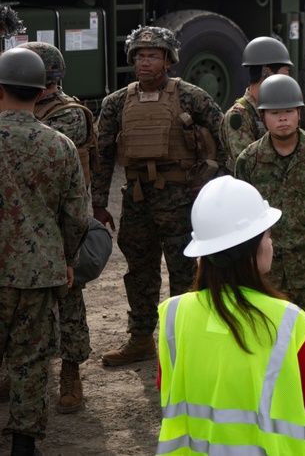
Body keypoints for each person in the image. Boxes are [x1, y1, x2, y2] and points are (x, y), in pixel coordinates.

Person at [157, 176, 305, 455]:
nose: (271, 244)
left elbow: (166, 386)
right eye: (268, 235)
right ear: (250, 249)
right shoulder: (285, 319)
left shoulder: (175, 313)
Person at [94, 26, 226, 367]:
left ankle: (188, 339)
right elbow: (103, 154)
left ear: (168, 60)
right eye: (139, 56)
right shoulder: (116, 103)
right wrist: (98, 203)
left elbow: (224, 137)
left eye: (153, 56)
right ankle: (141, 339)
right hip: (137, 199)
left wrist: (216, 186)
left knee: (185, 271)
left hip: (180, 197)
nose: (145, 62)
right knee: (139, 270)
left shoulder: (191, 96)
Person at [234, 74, 305, 445]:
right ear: (262, 117)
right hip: (269, 271)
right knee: (269, 340)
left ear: (300, 114)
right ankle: (277, 406)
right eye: (274, 113)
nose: (282, 119)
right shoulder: (249, 161)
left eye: (289, 112)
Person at [0, 47, 89, 456]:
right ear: (40, 93)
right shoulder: (60, 146)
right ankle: (23, 445)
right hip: (40, 273)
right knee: (31, 360)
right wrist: (67, 260)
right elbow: (75, 217)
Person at [20, 42, 100, 414]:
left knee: (69, 301)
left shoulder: (69, 115)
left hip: (64, 221)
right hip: (26, 220)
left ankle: (70, 372)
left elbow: (30, 143)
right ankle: (15, 370)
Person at [220, 36, 293, 170]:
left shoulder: (278, 109)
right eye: (286, 72)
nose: (288, 78)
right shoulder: (239, 115)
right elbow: (246, 163)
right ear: (268, 71)